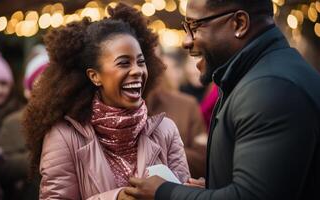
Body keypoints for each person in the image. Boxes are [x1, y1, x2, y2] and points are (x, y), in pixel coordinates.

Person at [124, 0, 320, 199]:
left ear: (239, 23)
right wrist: (217, 187)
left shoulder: (270, 87)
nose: (186, 41)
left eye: (194, 27)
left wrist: (163, 192)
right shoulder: (259, 77)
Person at [23, 3, 190, 200]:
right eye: (124, 63)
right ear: (95, 76)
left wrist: (195, 193)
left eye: (141, 61)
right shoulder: (64, 137)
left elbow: (181, 194)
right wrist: (117, 198)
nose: (137, 70)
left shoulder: (166, 131)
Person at [0, 44, 48, 200]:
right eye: (40, 82)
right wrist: (43, 158)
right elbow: (1, 166)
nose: (45, 89)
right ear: (28, 90)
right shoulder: (12, 122)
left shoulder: (67, 119)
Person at [146, 47, 207, 178]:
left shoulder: (186, 105)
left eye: (146, 58)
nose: (138, 68)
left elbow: (204, 160)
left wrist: (164, 150)